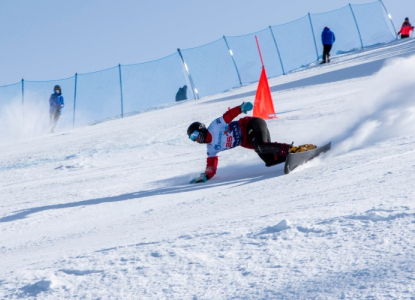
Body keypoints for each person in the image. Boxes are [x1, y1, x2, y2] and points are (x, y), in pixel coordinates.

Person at [187, 102, 316, 183]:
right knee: (270, 160)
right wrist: (205, 176)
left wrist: (240, 108)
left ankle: (294, 150)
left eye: (195, 135)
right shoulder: (211, 149)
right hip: (250, 139)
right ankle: (297, 154)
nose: (196, 139)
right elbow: (212, 167)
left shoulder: (214, 126)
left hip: (252, 124)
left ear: (201, 130)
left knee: (261, 146)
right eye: (192, 138)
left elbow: (228, 115)